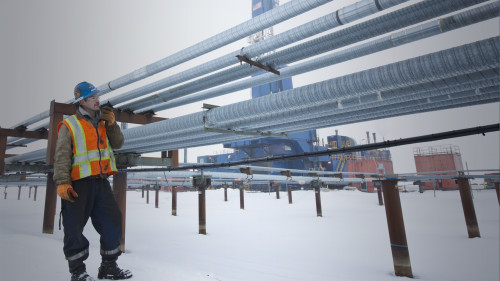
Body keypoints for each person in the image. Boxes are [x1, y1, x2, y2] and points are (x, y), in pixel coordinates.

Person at [54, 81, 132, 281]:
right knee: (73, 228)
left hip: (101, 182)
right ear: (81, 101)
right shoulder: (70, 124)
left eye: (97, 96)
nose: (97, 101)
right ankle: (78, 272)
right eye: (92, 98)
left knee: (113, 221)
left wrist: (112, 123)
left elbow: (118, 143)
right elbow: (62, 155)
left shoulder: (105, 122)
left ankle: (108, 267)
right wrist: (62, 181)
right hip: (78, 184)